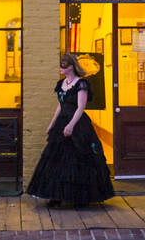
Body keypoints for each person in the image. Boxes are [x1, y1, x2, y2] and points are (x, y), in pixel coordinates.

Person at [26, 53, 114, 208]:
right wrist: (52, 124)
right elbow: (60, 105)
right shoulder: (61, 84)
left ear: (71, 66)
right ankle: (56, 196)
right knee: (56, 160)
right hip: (61, 124)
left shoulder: (81, 84)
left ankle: (81, 198)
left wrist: (71, 125)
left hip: (78, 125)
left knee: (79, 159)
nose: (60, 67)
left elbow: (81, 107)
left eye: (63, 65)